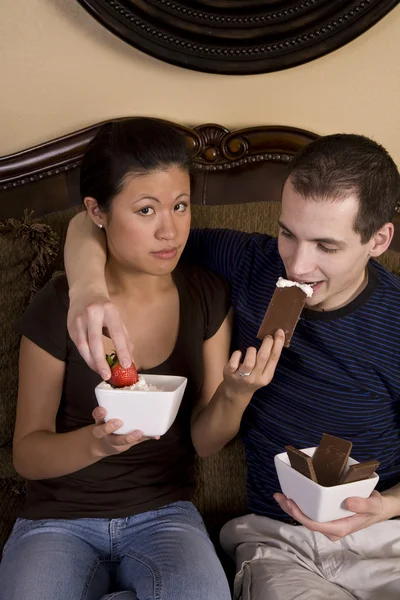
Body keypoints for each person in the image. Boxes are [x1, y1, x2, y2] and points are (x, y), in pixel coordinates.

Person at [62, 132, 400, 600]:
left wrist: (383, 506)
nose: (298, 266)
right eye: (288, 233)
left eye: (326, 246)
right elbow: (95, 225)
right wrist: (86, 290)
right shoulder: (250, 264)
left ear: (379, 239)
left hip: (386, 542)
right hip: (280, 543)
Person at [0, 117, 285, 600]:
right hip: (57, 522)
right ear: (98, 211)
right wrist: (98, 444)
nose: (169, 230)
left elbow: (205, 441)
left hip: (163, 515)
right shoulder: (62, 305)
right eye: (146, 210)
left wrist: (234, 396)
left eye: (179, 206)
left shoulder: (206, 295)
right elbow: (27, 454)